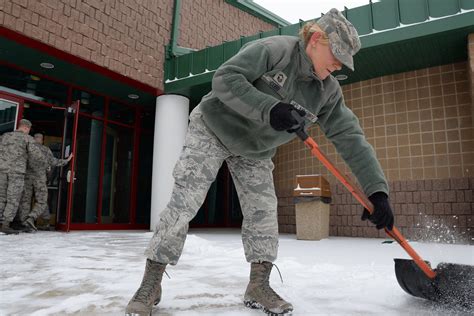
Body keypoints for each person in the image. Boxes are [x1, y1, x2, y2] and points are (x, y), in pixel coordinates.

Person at [125, 8, 394, 316]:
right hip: (214, 127)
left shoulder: (327, 92)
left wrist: (377, 192)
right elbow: (224, 79)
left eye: (344, 61)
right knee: (186, 199)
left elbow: (351, 139)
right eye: (337, 54)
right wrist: (270, 108)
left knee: (263, 212)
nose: (338, 65)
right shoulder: (274, 51)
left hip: (255, 149)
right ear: (316, 38)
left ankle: (258, 285)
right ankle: (151, 282)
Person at [18, 133, 73, 231]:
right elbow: (53, 162)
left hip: (26, 178)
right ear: (42, 140)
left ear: (33, 139)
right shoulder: (45, 150)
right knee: (42, 200)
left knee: (25, 201)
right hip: (39, 178)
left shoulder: (27, 148)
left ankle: (24, 223)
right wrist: (66, 160)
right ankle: (38, 219)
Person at [0, 119, 42, 234]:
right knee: (13, 199)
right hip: (16, 173)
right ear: (26, 128)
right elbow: (37, 156)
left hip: (2, 170)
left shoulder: (5, 136)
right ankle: (5, 224)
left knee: (1, 197)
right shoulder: (27, 138)